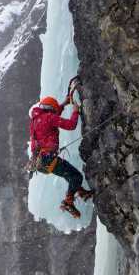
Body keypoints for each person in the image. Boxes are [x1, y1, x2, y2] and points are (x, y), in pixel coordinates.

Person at [28, 85, 93, 218]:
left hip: (41, 162)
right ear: (50, 110)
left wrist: (63, 103)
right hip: (48, 158)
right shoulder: (49, 117)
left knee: (69, 176)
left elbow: (53, 116)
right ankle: (68, 202)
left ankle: (81, 193)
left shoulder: (36, 119)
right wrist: (75, 111)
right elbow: (70, 125)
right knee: (76, 176)